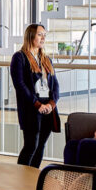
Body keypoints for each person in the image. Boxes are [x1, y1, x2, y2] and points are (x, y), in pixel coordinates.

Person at [10, 23, 60, 168]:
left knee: (41, 146)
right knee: (31, 145)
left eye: (44, 35)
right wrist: (37, 104)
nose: (43, 37)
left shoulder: (46, 59)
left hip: (48, 106)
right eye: (40, 34)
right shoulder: (19, 57)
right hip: (32, 106)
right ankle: (21, 178)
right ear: (31, 36)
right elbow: (20, 85)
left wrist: (51, 104)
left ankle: (32, 179)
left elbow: (55, 85)